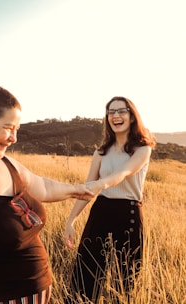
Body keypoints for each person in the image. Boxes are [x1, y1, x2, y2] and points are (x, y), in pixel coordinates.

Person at [0, 70, 95, 304]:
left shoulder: (7, 164)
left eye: (17, 130)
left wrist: (76, 189)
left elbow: (42, 186)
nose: (14, 138)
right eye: (8, 128)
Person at [64, 96, 156, 303]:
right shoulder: (101, 152)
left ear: (132, 117)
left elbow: (124, 172)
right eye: (111, 112)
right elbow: (88, 189)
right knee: (84, 278)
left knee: (124, 283)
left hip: (128, 215)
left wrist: (101, 184)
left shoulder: (142, 149)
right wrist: (71, 220)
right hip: (100, 212)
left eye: (121, 111)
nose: (116, 116)